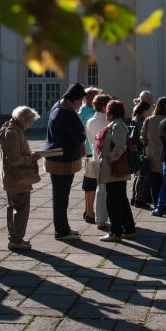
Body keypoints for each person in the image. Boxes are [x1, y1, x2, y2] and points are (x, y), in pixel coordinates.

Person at [44, 83, 88, 241]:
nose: (82, 103)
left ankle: (64, 228)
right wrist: (82, 132)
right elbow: (79, 136)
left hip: (58, 158)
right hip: (61, 160)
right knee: (61, 197)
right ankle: (61, 231)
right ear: (75, 98)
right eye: (81, 100)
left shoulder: (60, 106)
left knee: (61, 197)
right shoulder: (65, 113)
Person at [0, 106, 41, 252]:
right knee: (21, 209)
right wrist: (31, 159)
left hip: (15, 177)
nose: (31, 124)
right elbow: (14, 159)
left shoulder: (14, 130)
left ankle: (16, 238)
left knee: (15, 208)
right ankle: (16, 240)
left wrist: (30, 156)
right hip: (16, 177)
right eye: (30, 121)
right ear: (23, 120)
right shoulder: (13, 133)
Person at [97, 100, 137, 242]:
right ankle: (129, 229)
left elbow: (120, 146)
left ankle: (115, 232)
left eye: (107, 111)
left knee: (113, 201)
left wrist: (109, 159)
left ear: (111, 113)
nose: (106, 114)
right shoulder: (117, 125)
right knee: (121, 200)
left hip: (115, 169)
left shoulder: (117, 126)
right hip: (117, 170)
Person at [85, 93, 112, 230]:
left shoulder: (90, 121)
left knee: (100, 188)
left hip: (95, 157)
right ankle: (101, 218)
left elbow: (90, 142)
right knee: (104, 189)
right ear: (103, 106)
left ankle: (101, 217)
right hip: (107, 158)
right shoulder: (107, 122)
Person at [141, 97, 166, 211]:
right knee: (164, 182)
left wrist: (149, 143)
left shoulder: (149, 120)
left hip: (151, 153)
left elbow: (142, 137)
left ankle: (157, 204)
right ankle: (162, 204)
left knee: (154, 182)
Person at [79, 88, 100, 224]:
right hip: (92, 150)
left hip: (90, 150)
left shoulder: (82, 111)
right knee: (92, 183)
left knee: (89, 183)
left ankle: (88, 210)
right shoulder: (89, 113)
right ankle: (89, 211)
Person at [129, 100, 153, 208]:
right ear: (145, 110)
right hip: (141, 151)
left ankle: (134, 198)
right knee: (142, 176)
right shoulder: (142, 120)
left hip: (134, 151)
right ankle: (139, 199)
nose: (151, 112)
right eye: (149, 110)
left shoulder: (134, 118)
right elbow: (143, 136)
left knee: (137, 176)